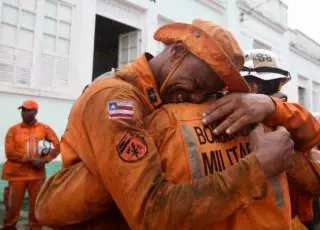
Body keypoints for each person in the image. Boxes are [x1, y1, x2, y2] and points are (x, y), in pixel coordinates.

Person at [36, 20, 320, 229]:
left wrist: (271, 106)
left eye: (207, 92)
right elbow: (151, 212)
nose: (196, 98)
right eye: (197, 84)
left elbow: (309, 137)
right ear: (177, 51)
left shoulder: (169, 99)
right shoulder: (116, 98)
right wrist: (257, 168)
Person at [240, 49, 320, 230]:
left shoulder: (286, 120)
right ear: (252, 86)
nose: (277, 93)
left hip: (291, 217)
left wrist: (272, 110)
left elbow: (311, 133)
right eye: (273, 85)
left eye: (276, 86)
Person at [2, 100, 60, 230]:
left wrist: (45, 160)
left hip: (37, 175)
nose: (24, 113)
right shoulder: (13, 130)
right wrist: (30, 160)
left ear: (35, 112)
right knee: (12, 206)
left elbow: (57, 145)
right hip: (17, 175)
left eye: (28, 110)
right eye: (23, 110)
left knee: (36, 206)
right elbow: (10, 152)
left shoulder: (44, 129)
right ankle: (9, 226)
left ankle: (34, 227)